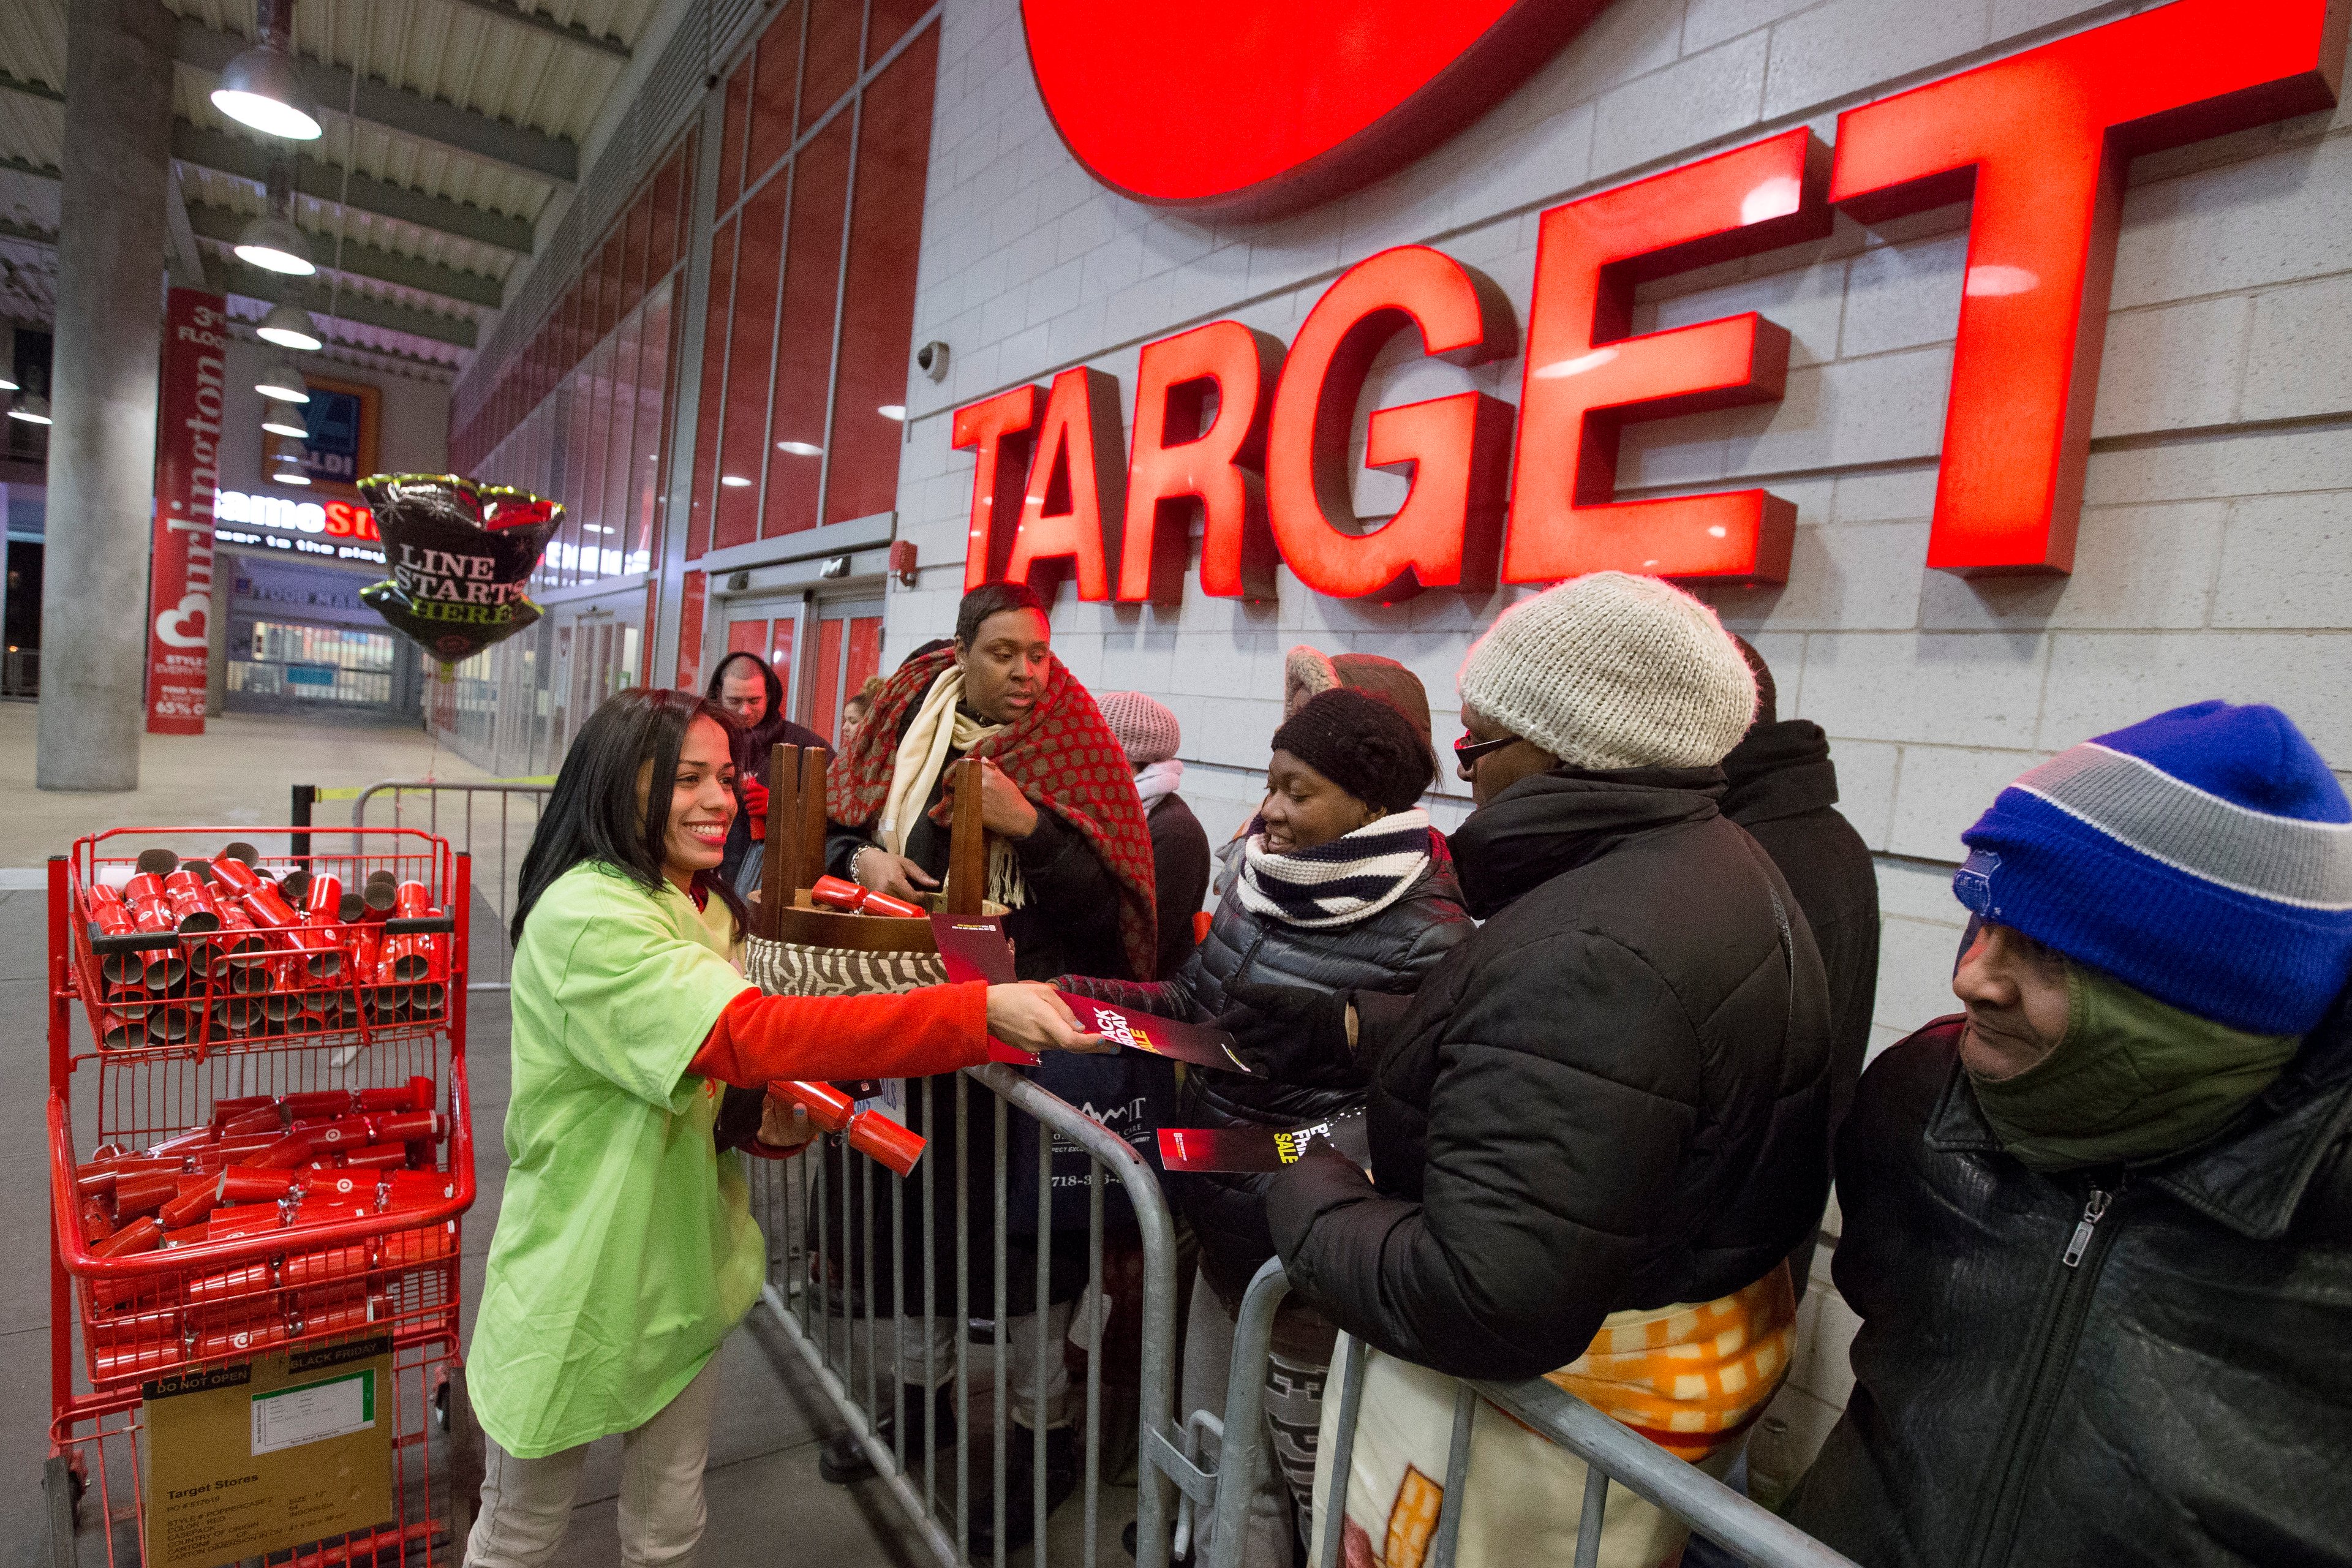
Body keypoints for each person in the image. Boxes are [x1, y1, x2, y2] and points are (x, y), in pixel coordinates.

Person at [1232, 572, 1833, 1568]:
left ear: (1569, 745)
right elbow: (1613, 1086)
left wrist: (1304, 1182)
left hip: (1529, 1455)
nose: (1464, 774)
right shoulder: (1712, 865)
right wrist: (1366, 1031)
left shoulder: (1595, 948)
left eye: (1478, 745)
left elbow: (1482, 1295)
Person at [462, 687, 1105, 1568]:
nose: (720, 800)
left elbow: (714, 1084)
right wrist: (971, 1010)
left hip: (682, 1271)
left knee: (668, 1527)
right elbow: (745, 1034)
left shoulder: (703, 904)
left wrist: (767, 1122)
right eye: (687, 778)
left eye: (726, 776)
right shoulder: (588, 915)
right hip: (582, 1277)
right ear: (618, 784)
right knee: (522, 1532)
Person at [1781, 700, 2352, 1568]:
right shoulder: (1920, 1106)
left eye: (2048, 949)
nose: (1974, 977)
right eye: (1986, 919)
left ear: (2211, 995)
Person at [1066, 687, 1472, 1568]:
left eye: (1299, 791)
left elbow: (1420, 1097)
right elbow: (1190, 1010)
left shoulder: (1433, 934)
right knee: (1220, 1453)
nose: (1272, 811)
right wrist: (1074, 1001)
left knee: (1312, 1489)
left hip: (1309, 1266)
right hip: (1220, 1230)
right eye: (1271, 784)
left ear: (1371, 803)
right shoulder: (1258, 878)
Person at [815, 582, 1160, 1547]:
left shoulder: (1072, 739)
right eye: (1005, 652)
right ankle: (920, 1406)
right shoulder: (906, 720)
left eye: (1039, 654)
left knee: (1025, 1264)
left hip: (1019, 1055)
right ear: (961, 651)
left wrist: (1031, 829)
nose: (1026, 673)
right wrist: (859, 863)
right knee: (912, 1239)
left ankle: (1037, 1436)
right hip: (917, 1034)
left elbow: (1111, 908)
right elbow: (845, 821)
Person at [1097, 688, 1212, 979]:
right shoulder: (1119, 813)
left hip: (1138, 1001)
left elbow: (1142, 950)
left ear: (1124, 761)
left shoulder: (1175, 834)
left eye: (1092, 753)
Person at [703, 649, 823, 889]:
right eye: (735, 701)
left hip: (774, 876)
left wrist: (786, 805)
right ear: (718, 694)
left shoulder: (805, 744)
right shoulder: (701, 741)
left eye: (754, 701)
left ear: (769, 695)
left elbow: (836, 812)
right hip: (707, 862)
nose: (745, 711)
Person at [840, 674, 884, 742]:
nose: (844, 727)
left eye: (853, 722)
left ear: (871, 723)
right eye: (845, 720)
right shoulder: (845, 751)